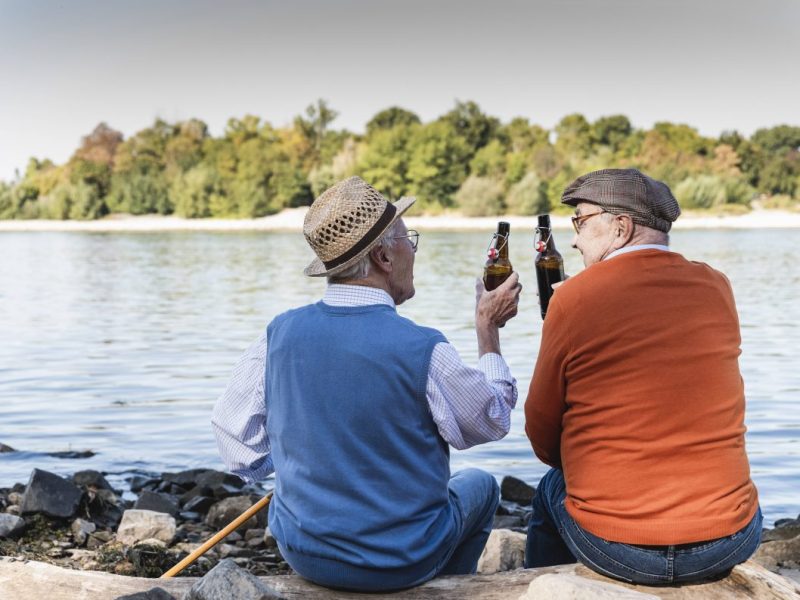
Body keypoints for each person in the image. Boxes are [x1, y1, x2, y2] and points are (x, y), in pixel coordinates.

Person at [212, 176, 522, 592]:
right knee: (481, 485)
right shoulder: (423, 347)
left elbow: (237, 449)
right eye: (409, 240)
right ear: (384, 257)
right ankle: (442, 590)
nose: (413, 250)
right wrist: (488, 329)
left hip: (304, 552)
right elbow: (492, 419)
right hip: (398, 561)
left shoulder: (277, 335)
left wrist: (298, 458)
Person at [524, 168, 761, 585]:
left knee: (550, 487)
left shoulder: (574, 298)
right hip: (726, 540)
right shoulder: (717, 286)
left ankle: (548, 589)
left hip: (617, 547)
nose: (575, 239)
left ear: (621, 227)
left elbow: (542, 433)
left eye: (581, 221)